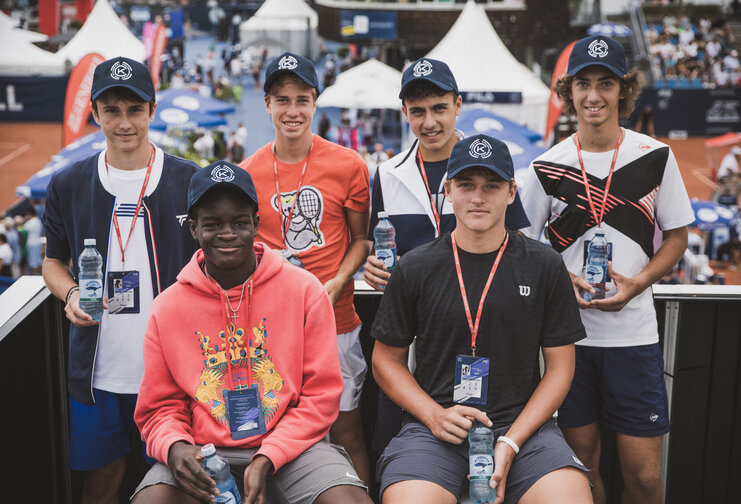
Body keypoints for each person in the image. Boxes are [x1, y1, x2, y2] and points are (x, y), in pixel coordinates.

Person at [131, 162, 372, 504]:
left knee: (349, 500)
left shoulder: (305, 291)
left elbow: (321, 396)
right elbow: (159, 408)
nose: (227, 233)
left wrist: (268, 455)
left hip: (295, 448)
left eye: (240, 222)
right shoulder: (167, 307)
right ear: (194, 229)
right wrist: (175, 447)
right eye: (212, 224)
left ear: (257, 225)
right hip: (205, 452)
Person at [519, 35, 694, 504]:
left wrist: (638, 283)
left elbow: (677, 236)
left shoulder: (655, 156)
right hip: (567, 342)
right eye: (583, 84)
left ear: (624, 90)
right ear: (568, 91)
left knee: (643, 477)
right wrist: (559, 279)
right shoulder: (544, 165)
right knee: (582, 465)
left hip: (634, 338)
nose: (593, 95)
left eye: (605, 83)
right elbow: (522, 243)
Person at [372, 134, 592, 504]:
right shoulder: (416, 266)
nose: (477, 197)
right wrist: (434, 416)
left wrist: (510, 440)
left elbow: (560, 369)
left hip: (524, 430)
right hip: (434, 430)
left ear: (511, 192)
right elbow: (385, 360)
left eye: (491, 186)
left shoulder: (544, 265)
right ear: (448, 190)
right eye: (466, 185)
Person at [41, 56, 199, 503]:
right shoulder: (68, 183)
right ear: (95, 113)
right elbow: (53, 262)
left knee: (176, 485)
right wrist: (70, 292)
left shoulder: (188, 179)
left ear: (152, 110)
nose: (124, 122)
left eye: (134, 109)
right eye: (112, 110)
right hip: (98, 372)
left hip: (174, 372)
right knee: (102, 482)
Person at [364, 58, 531, 462]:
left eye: (439, 108)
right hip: (410, 338)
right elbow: (377, 248)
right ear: (405, 113)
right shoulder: (387, 174)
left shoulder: (489, 164)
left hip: (479, 335)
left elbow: (518, 245)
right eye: (418, 111)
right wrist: (368, 266)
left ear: (458, 105)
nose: (429, 122)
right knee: (395, 446)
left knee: (482, 452)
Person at [239, 52, 373, 488]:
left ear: (316, 102)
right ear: (267, 104)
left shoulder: (349, 164)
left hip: (336, 321)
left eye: (302, 99)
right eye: (282, 100)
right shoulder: (248, 173)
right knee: (272, 435)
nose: (292, 111)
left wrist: (337, 282)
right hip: (271, 330)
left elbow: (361, 240)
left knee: (347, 430)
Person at [23, 207, 43, 274]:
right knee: (38, 260)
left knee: (33, 262)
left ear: (29, 214)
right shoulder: (38, 221)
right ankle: (41, 275)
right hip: (37, 242)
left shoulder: (29, 223)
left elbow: (23, 230)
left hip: (31, 244)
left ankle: (35, 276)